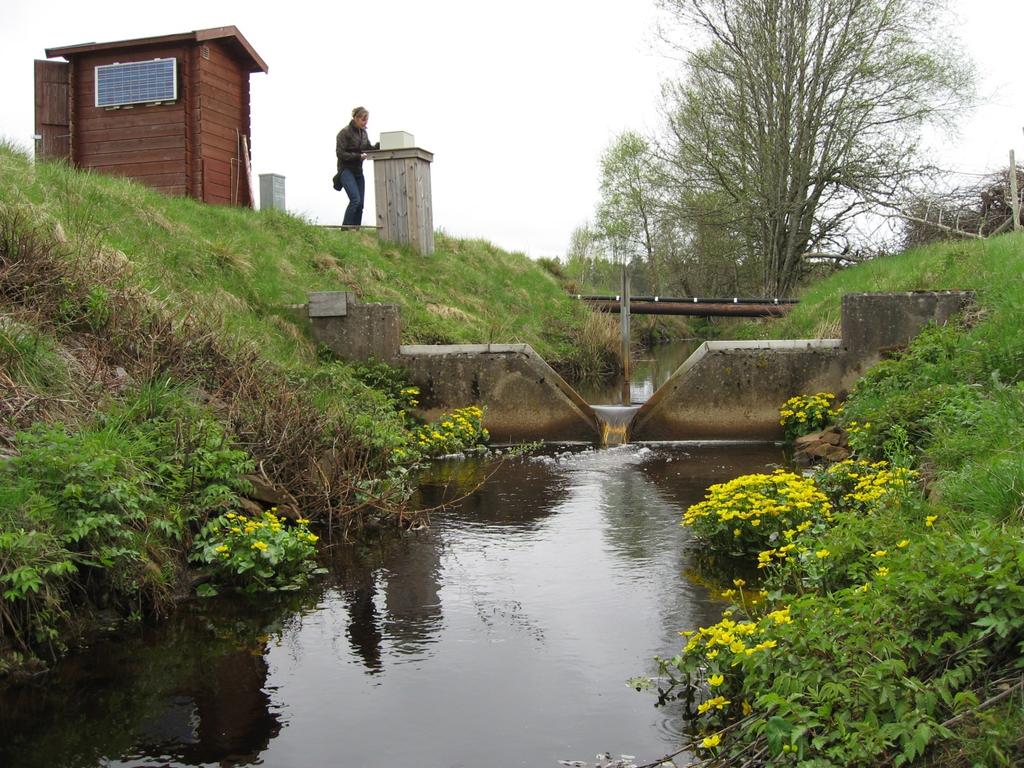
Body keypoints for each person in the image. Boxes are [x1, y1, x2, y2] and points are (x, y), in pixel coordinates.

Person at [335, 106, 380, 226]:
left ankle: (356, 231)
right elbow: (340, 153)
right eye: (363, 120)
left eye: (366, 120)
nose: (365, 122)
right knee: (355, 200)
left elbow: (368, 148)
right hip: (345, 170)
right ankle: (346, 229)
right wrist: (357, 157)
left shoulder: (364, 133)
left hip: (358, 172)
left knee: (360, 204)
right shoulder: (344, 133)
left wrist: (380, 145)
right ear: (355, 118)